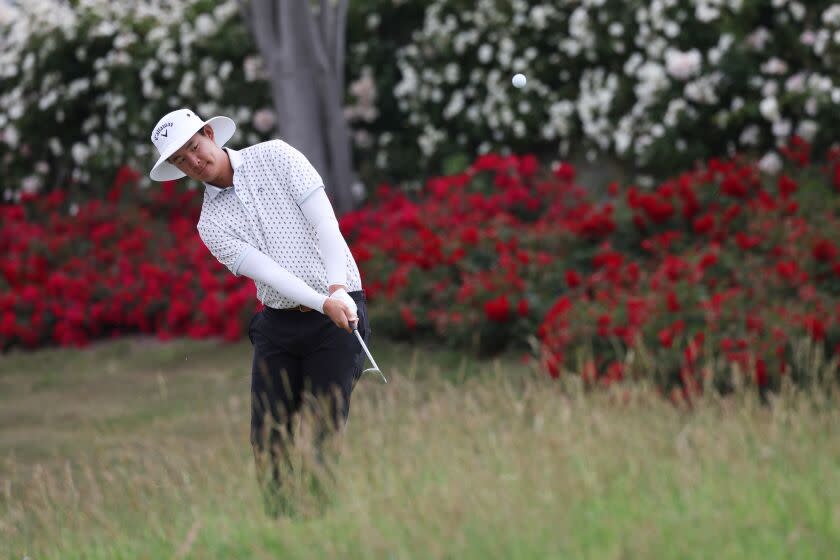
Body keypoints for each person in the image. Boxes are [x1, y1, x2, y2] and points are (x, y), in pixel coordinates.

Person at [147, 108, 372, 516]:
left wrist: (337, 289)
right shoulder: (210, 222)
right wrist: (323, 300)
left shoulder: (277, 156)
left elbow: (326, 225)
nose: (194, 162)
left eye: (194, 148)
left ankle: (321, 527)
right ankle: (281, 527)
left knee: (324, 431)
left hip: (340, 312)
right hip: (280, 323)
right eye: (181, 160)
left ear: (209, 133)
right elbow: (268, 273)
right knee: (269, 436)